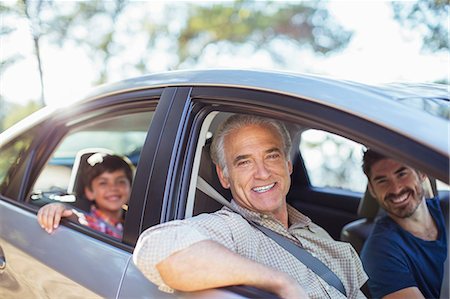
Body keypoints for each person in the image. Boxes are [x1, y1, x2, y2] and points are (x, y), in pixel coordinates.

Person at [133, 114, 367, 299]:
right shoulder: (231, 229)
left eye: (271, 156)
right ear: (224, 176)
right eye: (244, 162)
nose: (263, 173)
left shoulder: (315, 232)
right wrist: (281, 282)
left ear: (288, 165)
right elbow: (155, 249)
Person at [360, 149, 447, 299]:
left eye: (402, 174)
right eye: (382, 181)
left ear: (422, 174)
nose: (396, 189)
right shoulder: (379, 253)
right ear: (372, 190)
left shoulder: (447, 208)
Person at [37, 153, 133, 239]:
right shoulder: (89, 222)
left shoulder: (134, 219)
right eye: (103, 183)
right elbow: (75, 218)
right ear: (90, 192)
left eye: (120, 181)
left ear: (131, 187)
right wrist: (56, 208)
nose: (113, 188)